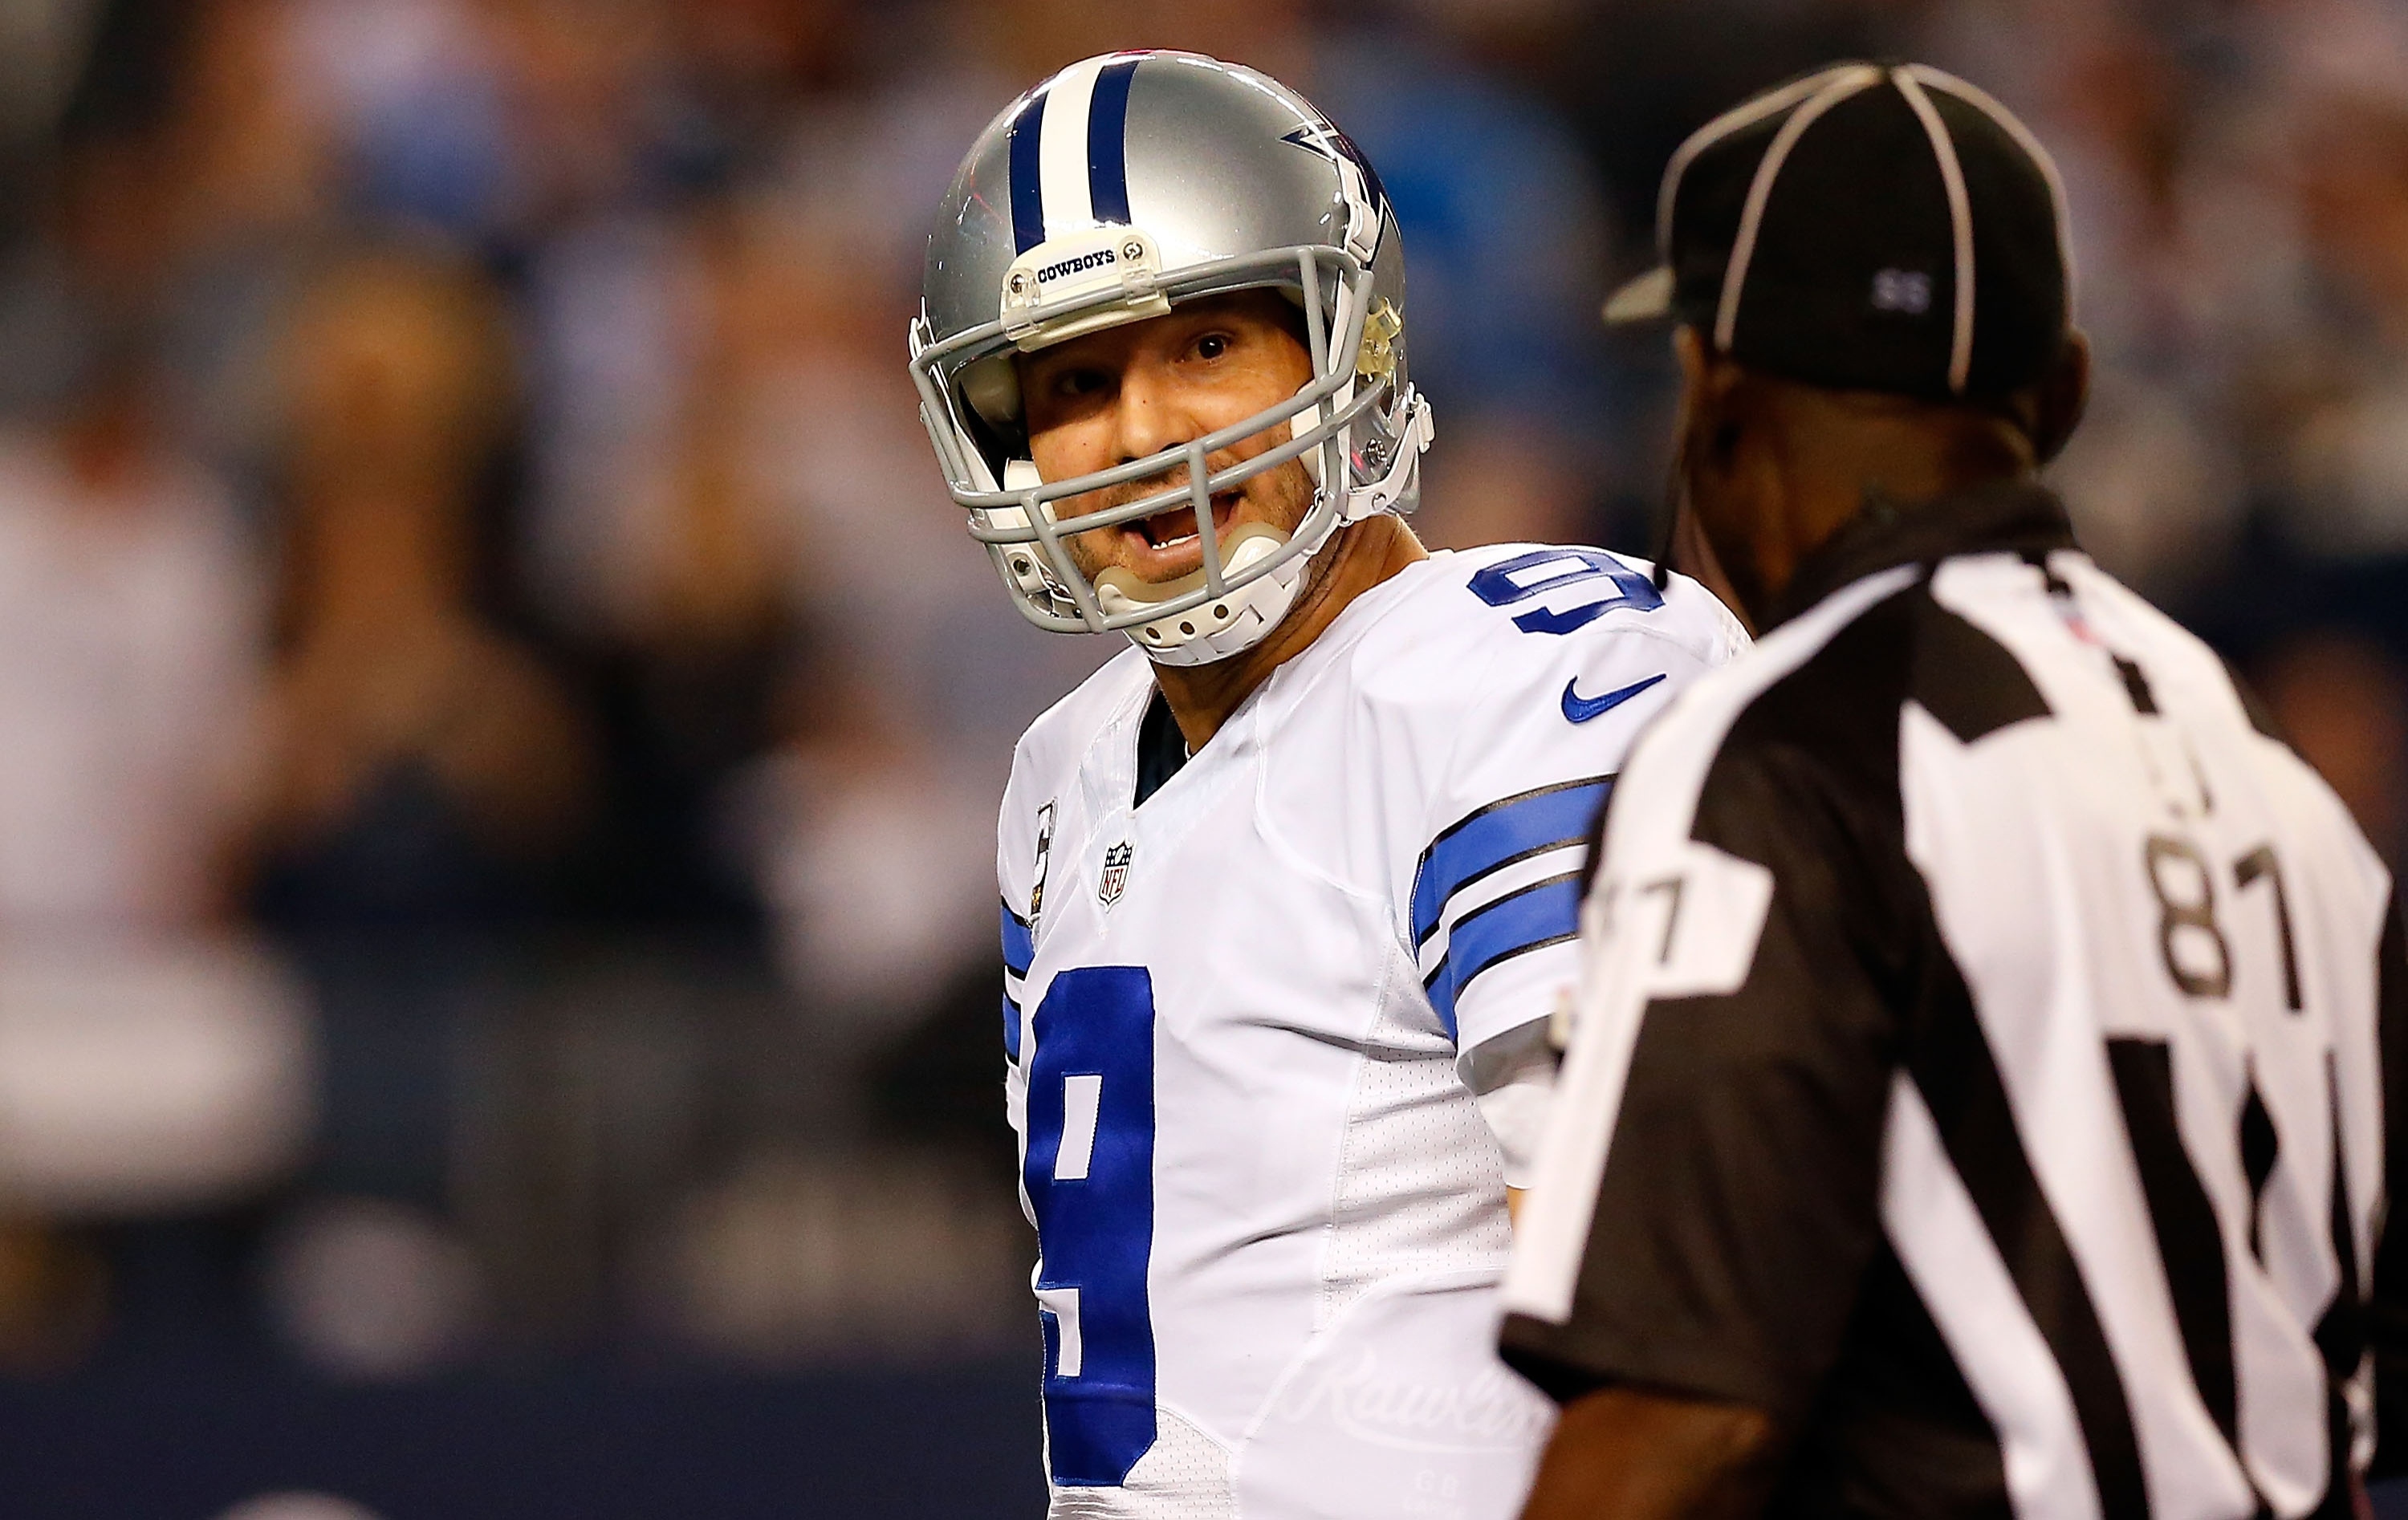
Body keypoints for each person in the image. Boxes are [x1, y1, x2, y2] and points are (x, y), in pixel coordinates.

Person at [1497, 62, 2405, 1519]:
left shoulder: (1781, 756)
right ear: (2065, 393)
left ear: (1711, 390)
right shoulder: (2279, 784)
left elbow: (1682, 1409)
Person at [907, 50, 1747, 1516]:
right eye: (1077, 382)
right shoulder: (1062, 773)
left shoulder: (1521, 678)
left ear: (1343, 345)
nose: (1145, 432)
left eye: (1207, 349)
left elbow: (1658, 1305)